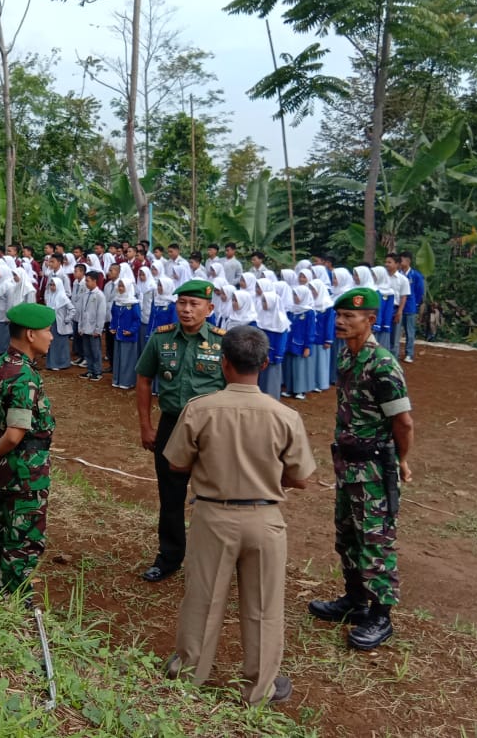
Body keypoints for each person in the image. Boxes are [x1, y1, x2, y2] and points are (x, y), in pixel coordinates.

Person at [162, 326, 315, 705]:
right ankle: (259, 688)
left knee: (203, 598)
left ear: (223, 363)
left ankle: (188, 674)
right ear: (264, 364)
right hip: (265, 519)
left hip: (214, 516)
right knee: (264, 606)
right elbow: (302, 477)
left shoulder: (200, 409)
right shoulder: (286, 416)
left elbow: (177, 464)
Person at [307, 287, 414, 651]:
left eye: (349, 316)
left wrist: (401, 461)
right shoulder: (345, 357)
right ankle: (355, 601)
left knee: (375, 540)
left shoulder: (382, 364)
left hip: (372, 470)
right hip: (347, 466)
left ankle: (381, 616)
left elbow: (403, 422)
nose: (341, 321)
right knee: (347, 536)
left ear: (369, 320)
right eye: (338, 315)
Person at [135, 280, 226, 582]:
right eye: (181, 303)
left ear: (209, 309)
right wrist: (146, 425)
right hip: (172, 425)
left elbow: (234, 388)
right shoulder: (161, 339)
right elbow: (144, 378)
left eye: (194, 304)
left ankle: (212, 561)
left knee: (213, 497)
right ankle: (169, 557)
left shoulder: (221, 342)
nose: (186, 310)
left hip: (211, 431)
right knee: (171, 495)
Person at [0, 302, 57, 596]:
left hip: (6, 466)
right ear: (31, 335)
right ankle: (13, 594)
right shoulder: (23, 375)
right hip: (26, 467)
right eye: (48, 331)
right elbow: (16, 431)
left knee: (3, 524)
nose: (51, 337)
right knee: (24, 533)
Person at [399, 251, 424, 363]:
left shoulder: (415, 275)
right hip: (398, 306)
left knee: (410, 331)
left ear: (408, 261)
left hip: (410, 307)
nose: (399, 262)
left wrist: (415, 303)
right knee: (397, 331)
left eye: (401, 260)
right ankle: (394, 352)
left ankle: (409, 353)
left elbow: (419, 291)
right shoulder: (398, 274)